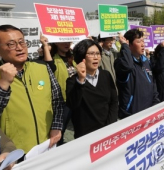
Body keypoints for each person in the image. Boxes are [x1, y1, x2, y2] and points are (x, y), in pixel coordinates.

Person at [0, 25, 64, 155]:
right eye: (11, 44)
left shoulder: (42, 67)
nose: (19, 48)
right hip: (14, 154)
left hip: (47, 146)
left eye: (21, 42)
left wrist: (56, 127)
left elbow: (57, 100)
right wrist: (4, 85)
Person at [66, 39, 118, 138]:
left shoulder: (106, 75)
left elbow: (114, 102)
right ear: (82, 57)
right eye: (91, 54)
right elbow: (73, 104)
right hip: (86, 137)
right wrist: (81, 80)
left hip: (107, 132)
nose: (96, 57)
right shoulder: (73, 81)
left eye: (98, 54)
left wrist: (110, 126)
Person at [114, 29, 159, 119]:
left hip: (149, 111)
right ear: (129, 44)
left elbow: (152, 84)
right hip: (132, 115)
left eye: (143, 41)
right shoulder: (121, 62)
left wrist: (156, 103)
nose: (143, 44)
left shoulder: (145, 61)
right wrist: (124, 46)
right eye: (138, 41)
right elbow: (128, 66)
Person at [39, 35, 76, 145]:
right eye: (63, 41)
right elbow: (50, 66)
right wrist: (45, 46)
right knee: (59, 131)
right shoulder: (52, 58)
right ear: (55, 42)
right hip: (62, 102)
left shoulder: (73, 58)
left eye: (68, 40)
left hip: (76, 98)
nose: (67, 43)